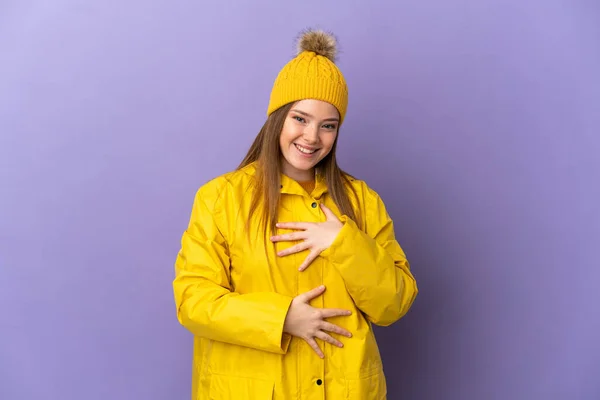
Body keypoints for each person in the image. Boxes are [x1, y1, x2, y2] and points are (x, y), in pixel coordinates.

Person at [173, 28, 418, 400]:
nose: (312, 137)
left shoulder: (361, 200)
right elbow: (194, 301)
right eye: (300, 119)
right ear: (277, 118)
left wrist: (342, 242)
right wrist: (281, 318)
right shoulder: (220, 198)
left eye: (328, 125)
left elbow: (394, 303)